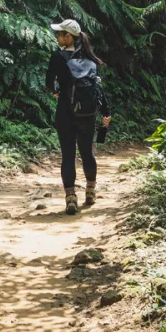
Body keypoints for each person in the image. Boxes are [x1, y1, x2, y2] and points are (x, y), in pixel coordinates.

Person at [47, 19, 112, 215]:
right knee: (87, 153)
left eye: (60, 34)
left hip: (65, 113)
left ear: (69, 37)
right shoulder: (91, 60)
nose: (57, 37)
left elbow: (49, 82)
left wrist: (57, 91)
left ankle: (70, 198)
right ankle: (90, 191)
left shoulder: (58, 57)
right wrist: (106, 113)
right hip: (88, 115)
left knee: (68, 155)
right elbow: (98, 88)